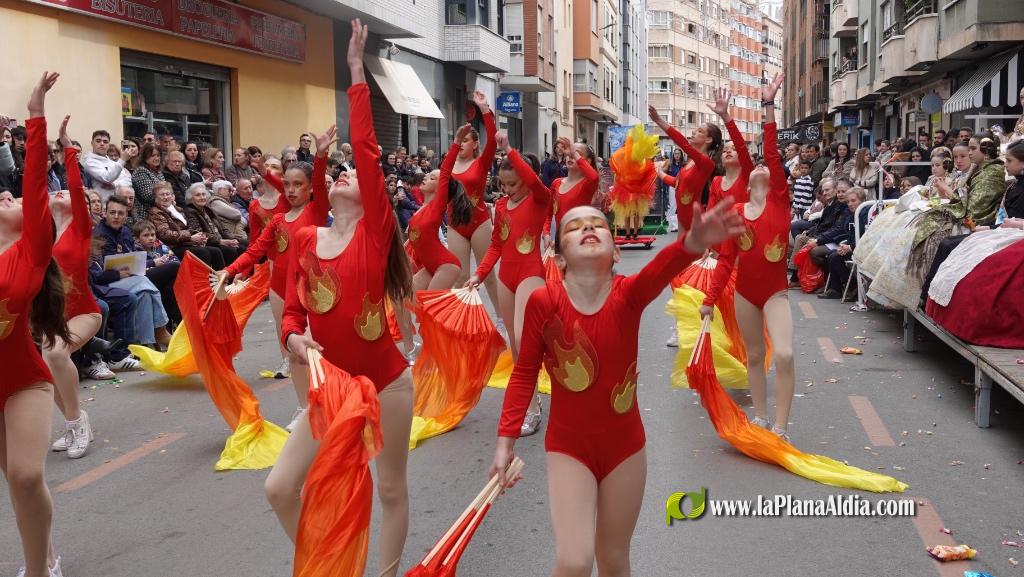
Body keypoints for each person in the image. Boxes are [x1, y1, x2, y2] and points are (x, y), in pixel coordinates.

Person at [490, 200, 743, 577]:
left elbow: (660, 269)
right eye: (574, 227)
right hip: (568, 449)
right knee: (574, 561)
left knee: (613, 558)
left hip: (625, 450)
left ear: (617, 252)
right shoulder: (544, 301)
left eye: (598, 224)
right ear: (558, 260)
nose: (588, 228)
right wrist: (505, 442)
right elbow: (525, 371)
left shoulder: (629, 295)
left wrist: (691, 243)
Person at [267, 21, 413, 577]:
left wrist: (356, 72)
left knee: (391, 489)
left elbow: (369, 153)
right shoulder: (307, 238)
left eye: (353, 174)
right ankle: (329, 563)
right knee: (280, 488)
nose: (347, 174)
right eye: (339, 173)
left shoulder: (376, 235)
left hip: (387, 383)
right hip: (330, 390)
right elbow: (294, 310)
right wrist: (292, 339)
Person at [1, 71, 71, 577]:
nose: (9, 198)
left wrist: (35, 114)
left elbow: (33, 183)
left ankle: (41, 570)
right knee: (14, 479)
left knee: (26, 476)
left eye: (17, 200)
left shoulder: (30, 254)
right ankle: (42, 554)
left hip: (23, 379)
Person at [699, 72, 796, 440]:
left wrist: (768, 105)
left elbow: (768, 149)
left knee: (784, 354)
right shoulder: (738, 211)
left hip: (775, 293)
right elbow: (726, 260)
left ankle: (781, 427)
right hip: (745, 294)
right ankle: (761, 418)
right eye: (757, 166)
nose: (761, 166)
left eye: (767, 166)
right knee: (754, 356)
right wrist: (709, 300)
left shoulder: (780, 201)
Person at [224, 127, 335, 432]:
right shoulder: (277, 220)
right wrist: (229, 270)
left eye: (298, 184)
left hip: (312, 290)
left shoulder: (316, 211)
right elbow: (255, 250)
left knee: (321, 350)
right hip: (280, 289)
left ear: (309, 188)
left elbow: (320, 185)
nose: (291, 190)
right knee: (296, 351)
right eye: (287, 184)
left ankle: (329, 399)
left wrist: (321, 155)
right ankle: (304, 407)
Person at [466, 131, 552, 435]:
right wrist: (479, 274)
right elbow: (496, 245)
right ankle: (532, 400)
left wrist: (509, 150)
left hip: (531, 274)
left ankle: (532, 408)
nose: (507, 190)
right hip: (506, 278)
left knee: (521, 339)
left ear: (526, 179)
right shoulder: (501, 206)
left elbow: (535, 182)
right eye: (503, 185)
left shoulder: (540, 199)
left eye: (513, 184)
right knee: (515, 347)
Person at [45, 115, 102, 461]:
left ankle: (77, 423)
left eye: (65, 192)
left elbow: (76, 188)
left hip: (84, 313)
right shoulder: (38, 235)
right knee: (43, 368)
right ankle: (73, 420)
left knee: (54, 354)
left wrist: (68, 149)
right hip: (49, 316)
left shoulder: (80, 228)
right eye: (56, 191)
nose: (60, 192)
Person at [95, 195, 172, 350]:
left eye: (121, 213)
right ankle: (161, 330)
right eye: (112, 212)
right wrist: (119, 273)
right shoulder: (98, 235)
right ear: (105, 213)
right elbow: (98, 272)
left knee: (145, 294)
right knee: (146, 284)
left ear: (126, 215)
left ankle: (143, 344)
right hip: (107, 282)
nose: (116, 216)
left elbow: (132, 256)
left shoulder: (126, 232)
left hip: (129, 277)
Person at [448, 91, 501, 316]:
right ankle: (459, 323)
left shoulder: (480, 163)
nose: (460, 144)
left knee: (488, 276)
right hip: (455, 225)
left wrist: (485, 110)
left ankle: (502, 319)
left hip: (479, 223)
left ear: (475, 144)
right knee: (459, 277)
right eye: (458, 140)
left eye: (465, 140)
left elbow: (493, 139)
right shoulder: (448, 164)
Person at [408, 125, 471, 291]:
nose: (425, 178)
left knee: (430, 306)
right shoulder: (420, 209)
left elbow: (445, 171)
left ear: (440, 188)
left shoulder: (436, 207)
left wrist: (457, 141)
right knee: (404, 298)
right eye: (427, 175)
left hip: (446, 266)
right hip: (430, 267)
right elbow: (413, 241)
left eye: (432, 178)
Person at [148, 181, 223, 269]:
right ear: (156, 197)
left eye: (168, 194)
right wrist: (190, 237)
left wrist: (199, 237)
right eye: (162, 195)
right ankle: (202, 278)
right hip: (172, 247)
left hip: (185, 243)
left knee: (216, 251)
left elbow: (189, 228)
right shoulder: (156, 212)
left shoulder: (177, 209)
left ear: (172, 195)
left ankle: (222, 276)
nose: (165, 197)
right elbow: (165, 234)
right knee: (203, 252)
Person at [544, 137, 600, 242]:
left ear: (588, 161)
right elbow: (549, 213)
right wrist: (546, 233)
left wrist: (574, 153)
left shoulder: (586, 184)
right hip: (560, 241)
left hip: (580, 241)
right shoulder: (556, 183)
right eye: (568, 154)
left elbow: (594, 177)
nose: (570, 156)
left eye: (575, 153)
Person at [818, 187, 867, 299]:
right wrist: (844, 245)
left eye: (853, 200)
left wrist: (850, 247)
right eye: (848, 201)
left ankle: (854, 287)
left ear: (862, 200)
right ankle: (835, 289)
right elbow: (850, 234)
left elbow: (866, 238)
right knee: (832, 254)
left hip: (863, 249)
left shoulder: (866, 214)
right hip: (853, 246)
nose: (850, 204)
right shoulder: (851, 215)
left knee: (834, 257)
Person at [132, 220, 180, 325]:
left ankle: (174, 322)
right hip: (144, 278)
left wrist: (163, 265)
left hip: (162, 277)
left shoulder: (159, 244)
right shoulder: (134, 249)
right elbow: (135, 268)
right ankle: (178, 320)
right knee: (176, 267)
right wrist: (154, 263)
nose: (151, 238)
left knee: (170, 285)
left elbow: (174, 258)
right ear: (137, 238)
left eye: (153, 235)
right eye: (146, 235)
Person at [183, 182, 240, 266]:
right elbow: (198, 233)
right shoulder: (190, 212)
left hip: (220, 240)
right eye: (198, 195)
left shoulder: (208, 209)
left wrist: (233, 239)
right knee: (229, 250)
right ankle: (227, 274)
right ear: (191, 198)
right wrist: (221, 241)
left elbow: (223, 229)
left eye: (203, 194)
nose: (202, 197)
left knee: (243, 244)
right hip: (210, 243)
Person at [82, 129, 133, 199]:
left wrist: (115, 184)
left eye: (105, 142)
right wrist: (122, 160)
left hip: (117, 202)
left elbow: (128, 181)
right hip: (102, 203)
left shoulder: (112, 162)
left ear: (108, 145)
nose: (102, 144)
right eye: (98, 141)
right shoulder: (89, 162)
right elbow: (107, 178)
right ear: (92, 143)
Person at [131, 142, 165, 222]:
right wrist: (166, 198)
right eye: (153, 155)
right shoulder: (141, 171)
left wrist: (170, 196)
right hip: (145, 214)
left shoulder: (158, 172)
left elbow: (167, 189)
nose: (156, 158)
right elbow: (148, 196)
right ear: (145, 157)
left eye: (158, 155)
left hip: (159, 212)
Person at [208, 180, 248, 246]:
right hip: (231, 235)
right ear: (219, 190)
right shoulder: (215, 202)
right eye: (229, 190)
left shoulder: (225, 200)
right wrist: (242, 221)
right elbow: (237, 215)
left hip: (235, 233)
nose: (231, 193)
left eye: (232, 191)